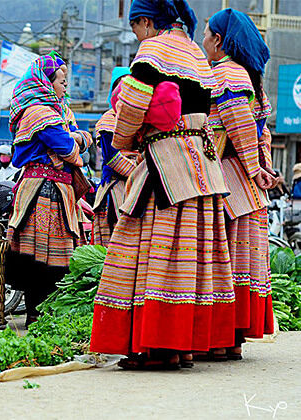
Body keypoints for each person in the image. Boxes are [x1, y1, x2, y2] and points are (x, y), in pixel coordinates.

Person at [89, 0, 235, 369]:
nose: (136, 35)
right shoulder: (197, 54)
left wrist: (123, 139)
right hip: (201, 163)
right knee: (189, 257)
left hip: (166, 163)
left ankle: (158, 347)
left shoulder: (153, 49)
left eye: (135, 27)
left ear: (145, 22)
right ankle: (183, 346)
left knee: (153, 251)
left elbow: (134, 104)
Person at [203, 8, 276, 359]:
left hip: (227, 178)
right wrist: (263, 167)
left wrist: (253, 166)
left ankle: (219, 340)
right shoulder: (251, 78)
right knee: (239, 264)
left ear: (218, 40)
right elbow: (262, 132)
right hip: (249, 187)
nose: (202, 41)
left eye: (206, 33)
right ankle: (232, 340)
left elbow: (240, 127)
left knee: (222, 262)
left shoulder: (225, 75)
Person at [5, 55, 90, 326]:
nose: (66, 87)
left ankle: (43, 314)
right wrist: (77, 140)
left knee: (54, 257)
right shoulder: (38, 112)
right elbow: (68, 148)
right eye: (62, 82)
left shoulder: (58, 111)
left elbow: (75, 141)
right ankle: (36, 314)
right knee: (40, 257)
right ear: (46, 82)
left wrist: (75, 139)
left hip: (57, 190)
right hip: (44, 192)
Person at [92, 67, 139, 246]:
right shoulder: (108, 120)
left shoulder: (138, 118)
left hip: (137, 184)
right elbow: (112, 158)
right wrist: (140, 171)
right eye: (121, 86)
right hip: (117, 186)